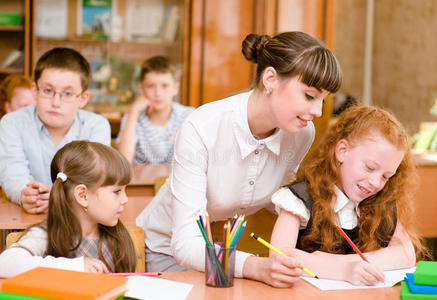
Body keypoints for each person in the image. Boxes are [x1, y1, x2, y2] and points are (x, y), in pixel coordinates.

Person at [136, 31, 342, 287]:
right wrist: (256, 266)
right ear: (270, 79)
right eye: (310, 96)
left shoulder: (301, 133)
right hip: (170, 252)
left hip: (233, 253)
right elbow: (186, 243)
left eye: (323, 100)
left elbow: (278, 200)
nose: (318, 112)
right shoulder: (203, 127)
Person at [270, 105, 427, 286]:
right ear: (342, 151)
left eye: (386, 176)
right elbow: (279, 256)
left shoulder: (381, 200)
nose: (376, 183)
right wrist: (344, 270)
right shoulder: (300, 198)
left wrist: (354, 264)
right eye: (369, 167)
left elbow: (406, 254)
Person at [0, 141, 136, 278]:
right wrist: (75, 267)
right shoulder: (47, 234)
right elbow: (5, 264)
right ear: (82, 196)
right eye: (117, 191)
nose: (125, 199)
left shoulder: (116, 237)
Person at [0, 48, 111, 214]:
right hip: (26, 220)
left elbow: (96, 180)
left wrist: (58, 197)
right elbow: (12, 175)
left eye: (67, 93)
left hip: (80, 221)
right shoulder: (12, 123)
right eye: (48, 91)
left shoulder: (97, 126)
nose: (56, 102)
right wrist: (26, 195)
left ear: (83, 99)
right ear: (34, 90)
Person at [117, 56, 194, 164]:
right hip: (140, 181)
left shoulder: (188, 116)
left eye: (165, 86)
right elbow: (123, 162)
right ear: (141, 89)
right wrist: (133, 112)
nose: (158, 93)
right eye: (151, 86)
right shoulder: (132, 117)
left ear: (175, 88)